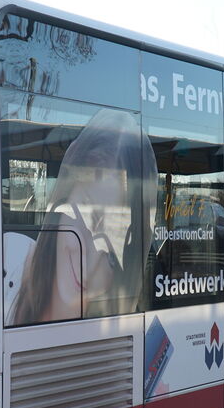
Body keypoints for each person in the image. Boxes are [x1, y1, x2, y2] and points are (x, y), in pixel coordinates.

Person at [8, 109, 156, 325]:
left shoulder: (111, 334)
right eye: (88, 216)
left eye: (112, 257)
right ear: (63, 196)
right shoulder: (7, 265)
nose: (90, 265)